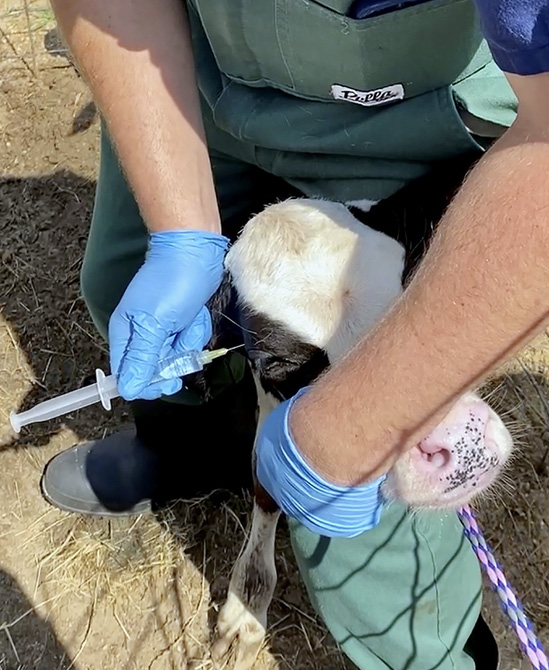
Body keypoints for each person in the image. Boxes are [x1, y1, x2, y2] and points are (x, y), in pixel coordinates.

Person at [43, 1, 549, 667]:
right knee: (118, 283)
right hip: (203, 79)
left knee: (364, 500)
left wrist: (360, 423)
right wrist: (181, 233)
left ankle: (425, 648)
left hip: (420, 120)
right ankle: (192, 446)